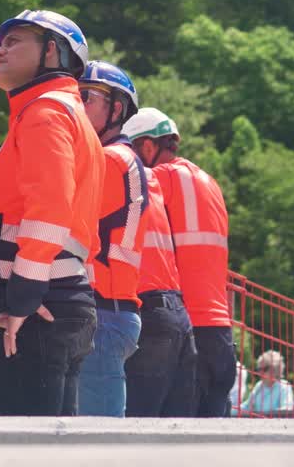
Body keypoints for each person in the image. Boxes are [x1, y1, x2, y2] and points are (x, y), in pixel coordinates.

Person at [0, 10, 104, 416]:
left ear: (51, 51)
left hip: (31, 310)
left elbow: (50, 210)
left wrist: (23, 297)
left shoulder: (45, 113)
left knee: (19, 449)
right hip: (59, 301)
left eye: (14, 40)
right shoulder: (66, 115)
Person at [136, 109, 234, 417]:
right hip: (220, 330)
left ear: (149, 148)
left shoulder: (155, 179)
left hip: (186, 329)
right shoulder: (210, 183)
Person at [75, 62, 146, 417]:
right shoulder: (124, 158)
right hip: (113, 310)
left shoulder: (107, 159)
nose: (76, 103)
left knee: (96, 444)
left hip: (103, 311)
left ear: (117, 109)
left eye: (86, 96)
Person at [121, 107, 198, 417]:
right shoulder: (191, 180)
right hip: (180, 315)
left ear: (148, 147)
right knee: (175, 429)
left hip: (149, 312)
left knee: (139, 424)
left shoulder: (144, 178)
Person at [241, 350, 294, 415]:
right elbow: (246, 406)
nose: (260, 372)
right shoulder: (259, 385)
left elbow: (286, 409)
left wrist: (265, 415)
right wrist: (229, 409)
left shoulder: (284, 386)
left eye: (264, 369)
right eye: (259, 369)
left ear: (275, 369)